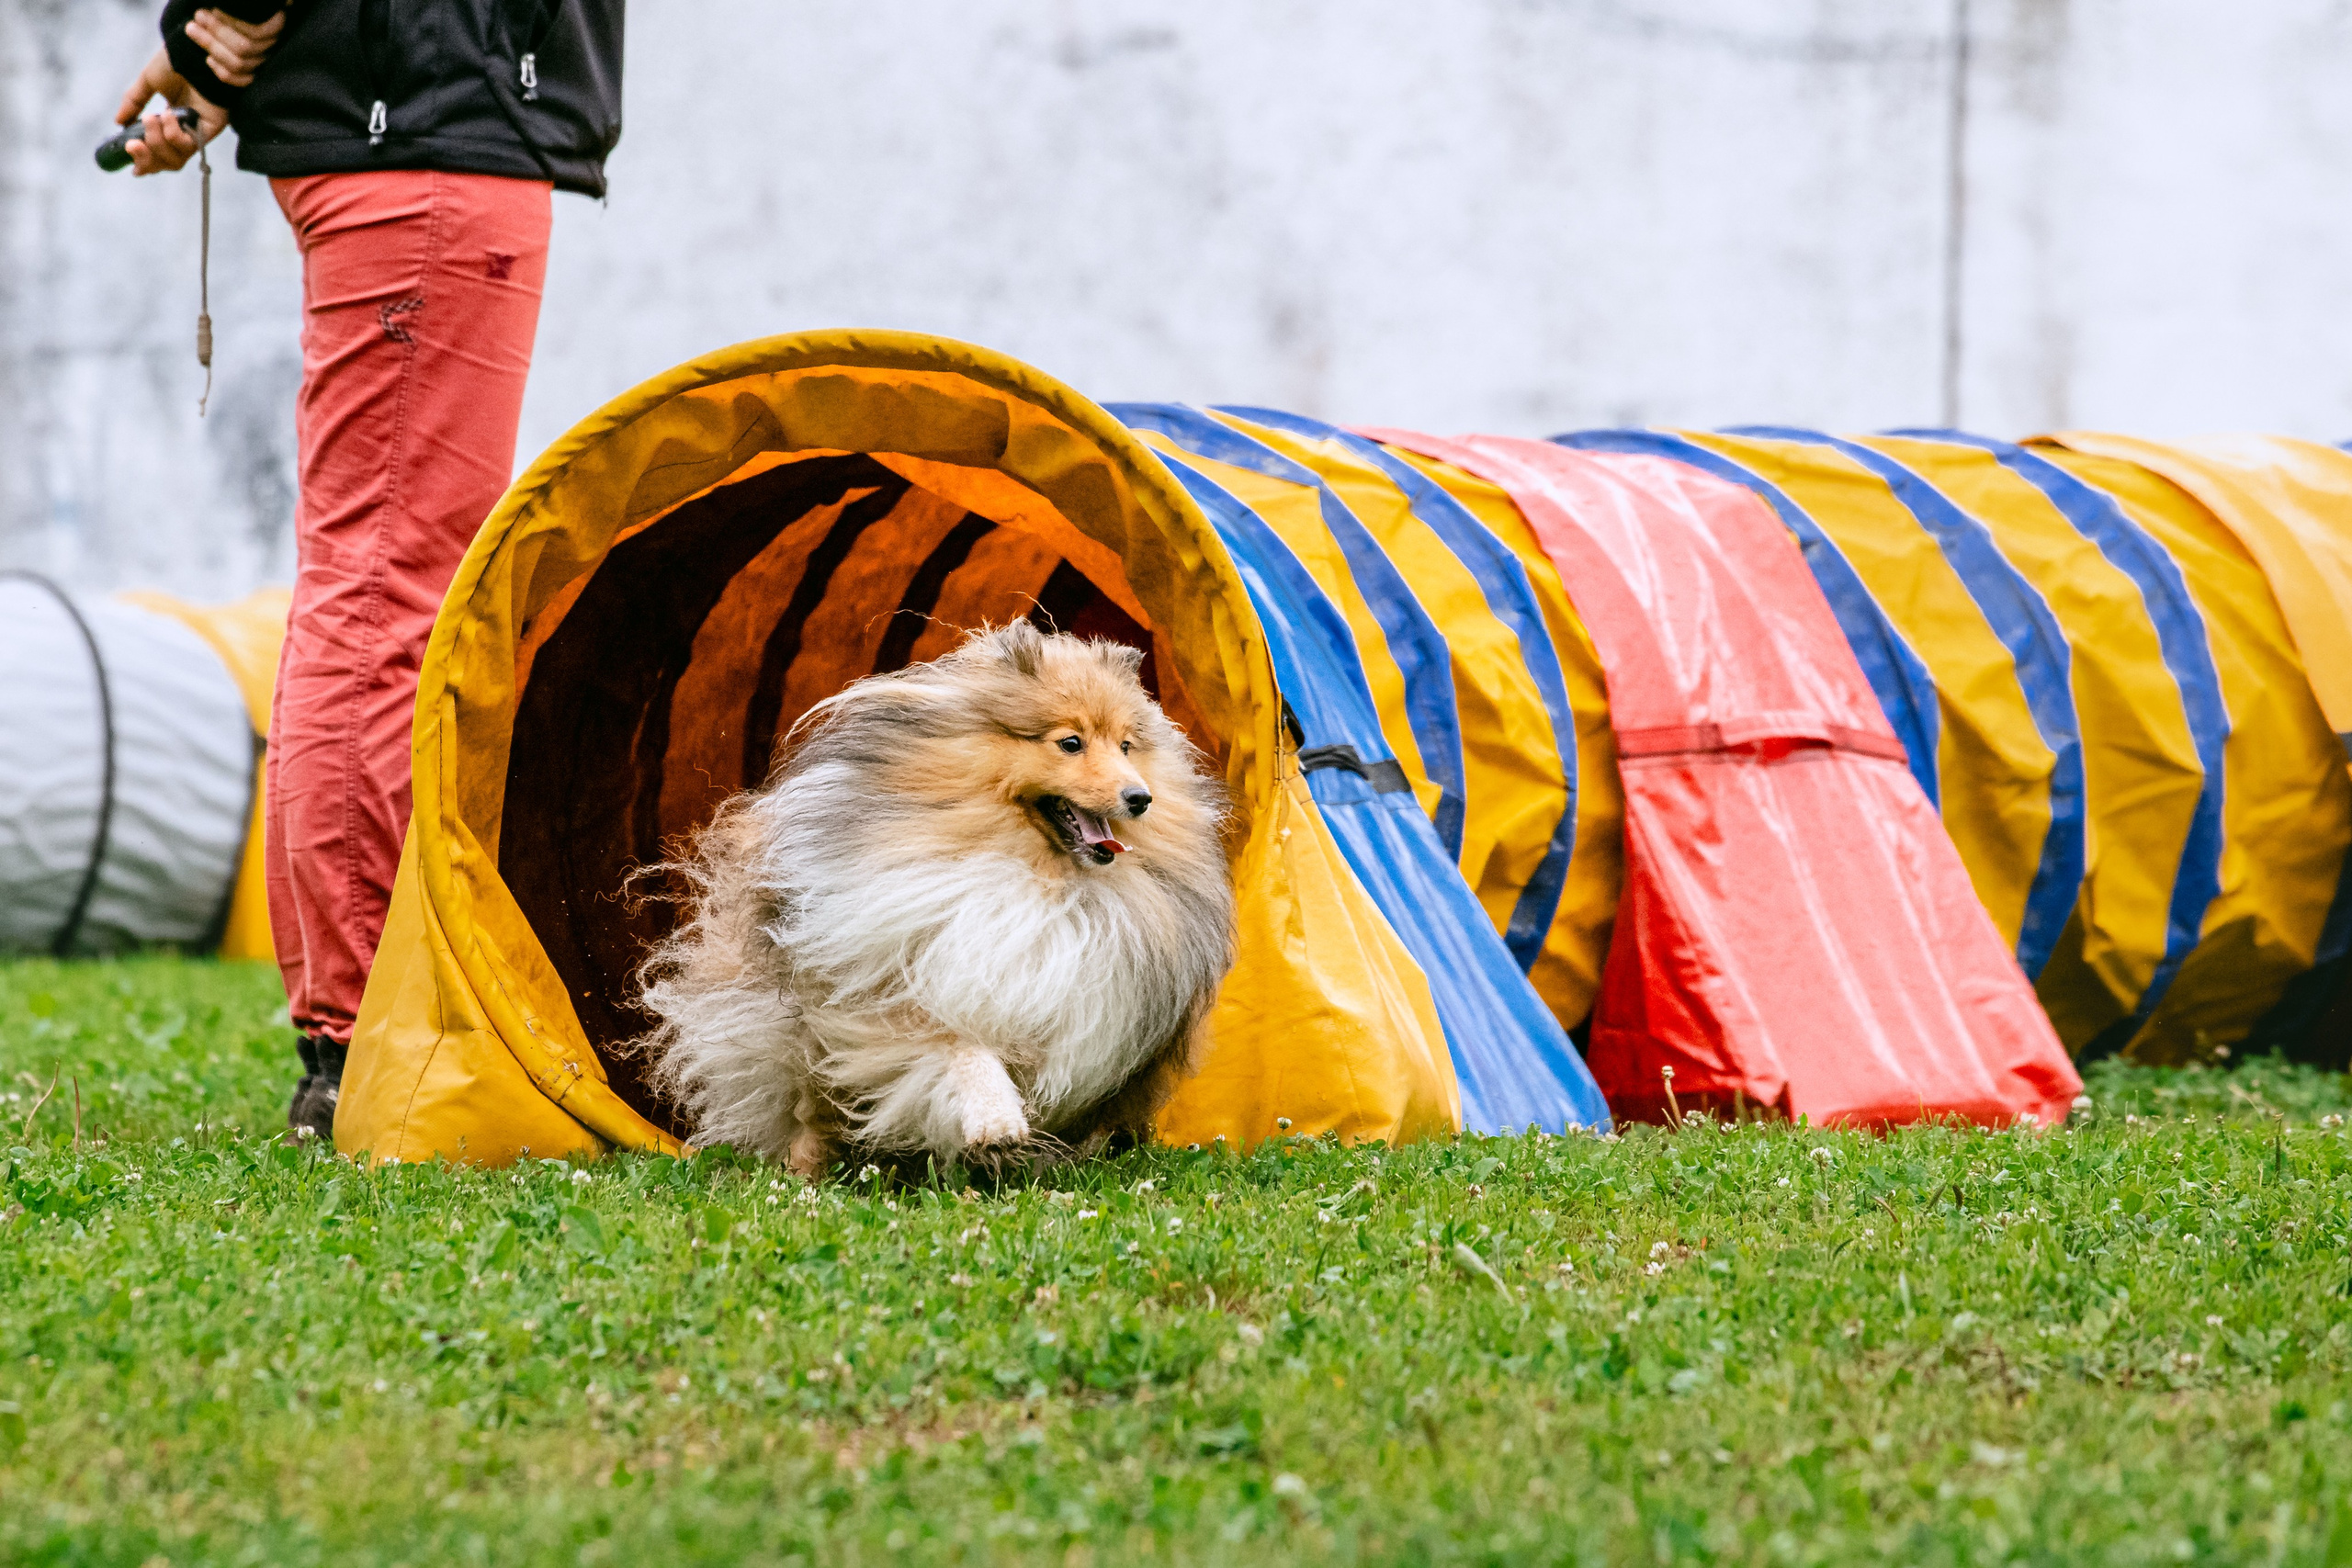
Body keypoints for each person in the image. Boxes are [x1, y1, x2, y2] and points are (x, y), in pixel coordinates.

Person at [115, 1, 627, 1139]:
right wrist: (220, 29)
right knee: (389, 586)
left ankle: (351, 1027)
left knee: (374, 577)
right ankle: (355, 1036)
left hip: (413, 131)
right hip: (430, 139)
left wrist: (217, 52)